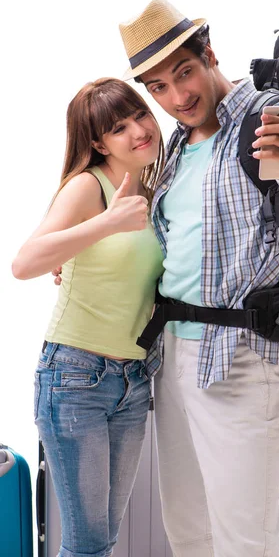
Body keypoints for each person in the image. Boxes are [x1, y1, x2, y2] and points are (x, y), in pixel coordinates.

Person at [116, 0, 279, 557]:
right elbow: (173, 250)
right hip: (173, 361)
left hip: (242, 360)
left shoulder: (269, 119)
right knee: (188, 536)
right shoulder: (178, 146)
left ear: (210, 53)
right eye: (158, 87)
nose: (179, 97)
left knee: (243, 543)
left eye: (184, 73)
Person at [12, 77, 165, 557]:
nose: (139, 130)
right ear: (98, 143)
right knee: (86, 543)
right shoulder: (88, 186)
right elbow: (23, 263)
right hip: (75, 377)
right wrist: (105, 223)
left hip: (134, 381)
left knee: (102, 539)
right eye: (118, 128)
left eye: (140, 114)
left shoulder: (158, 184)